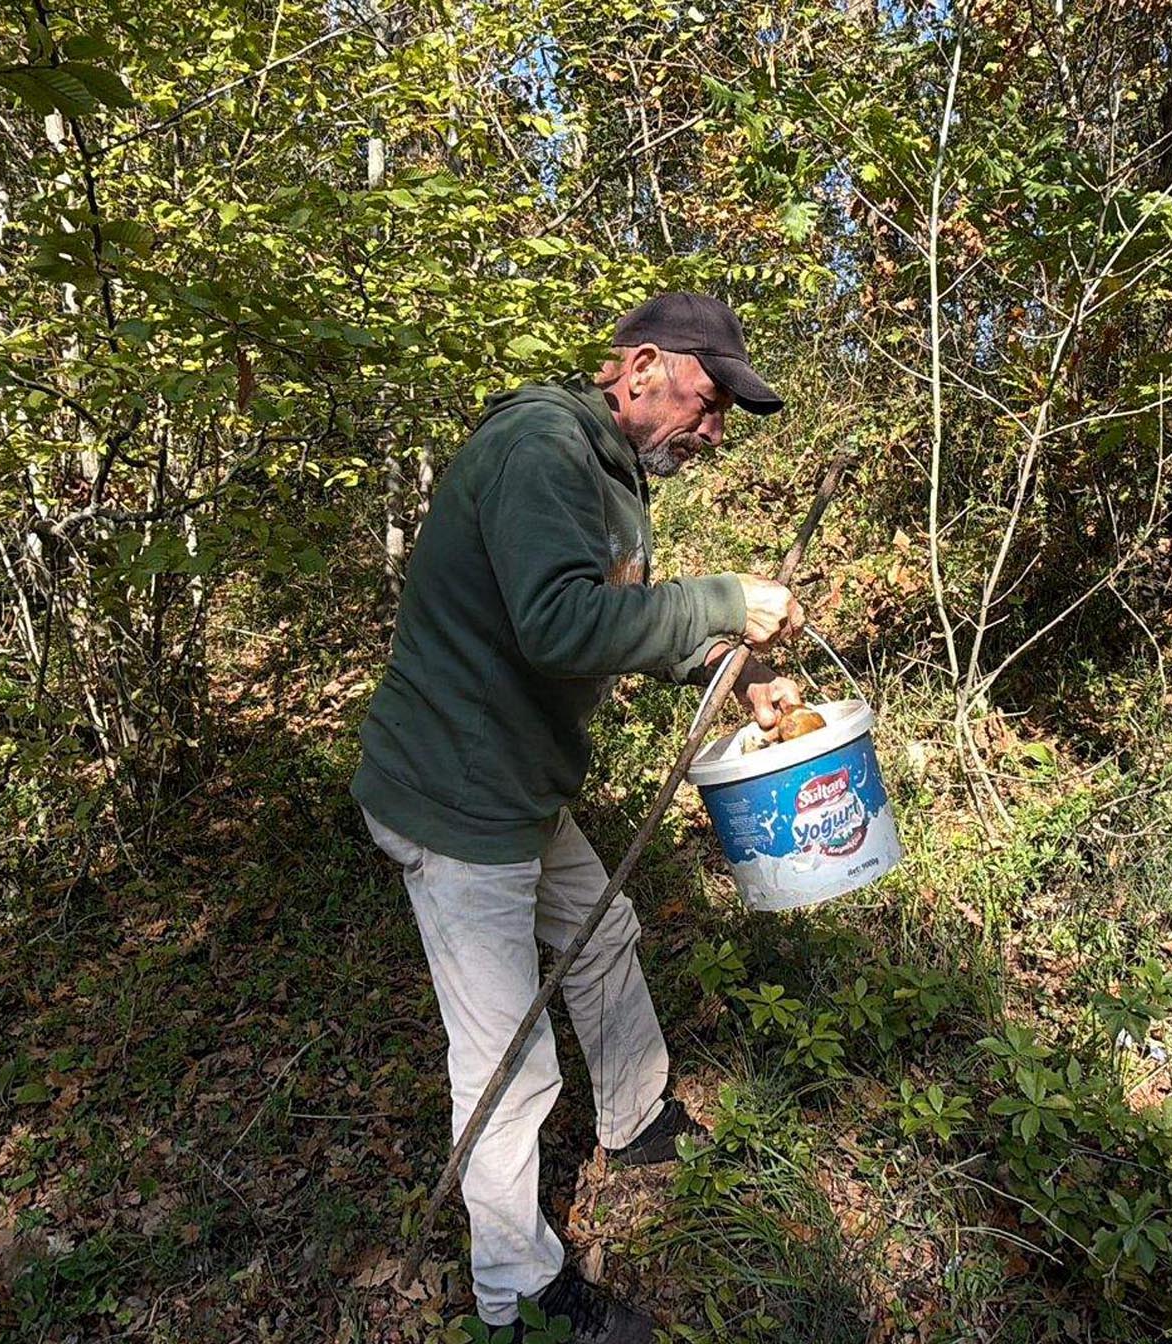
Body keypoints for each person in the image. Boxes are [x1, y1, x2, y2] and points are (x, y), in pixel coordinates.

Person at [351, 294, 806, 1341]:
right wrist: (722, 600)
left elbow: (606, 613)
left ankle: (637, 1121)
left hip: (518, 776)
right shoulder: (540, 450)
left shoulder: (605, 475)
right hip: (455, 794)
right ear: (642, 366)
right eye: (708, 398)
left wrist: (730, 670)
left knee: (602, 932)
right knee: (510, 1056)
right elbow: (557, 624)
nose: (715, 427)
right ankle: (515, 1291)